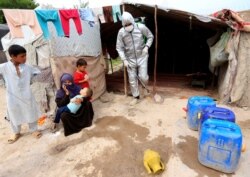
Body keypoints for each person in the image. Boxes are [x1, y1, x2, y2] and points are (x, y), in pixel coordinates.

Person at [0, 44, 42, 143]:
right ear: (13, 56)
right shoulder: (4, 67)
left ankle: (33, 130)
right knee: (13, 112)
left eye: (25, 55)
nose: (25, 58)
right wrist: (2, 83)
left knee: (30, 110)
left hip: (26, 94)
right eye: (22, 56)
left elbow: (37, 73)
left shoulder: (28, 67)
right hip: (12, 96)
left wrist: (31, 80)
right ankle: (16, 132)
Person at [116, 12, 154, 106]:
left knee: (143, 77)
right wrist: (124, 59)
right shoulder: (121, 32)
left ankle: (144, 87)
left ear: (132, 21)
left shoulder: (141, 27)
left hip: (142, 56)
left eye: (129, 24)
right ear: (123, 25)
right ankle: (136, 97)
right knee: (132, 79)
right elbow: (119, 47)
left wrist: (146, 47)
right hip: (130, 59)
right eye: (126, 25)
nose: (128, 26)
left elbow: (150, 36)